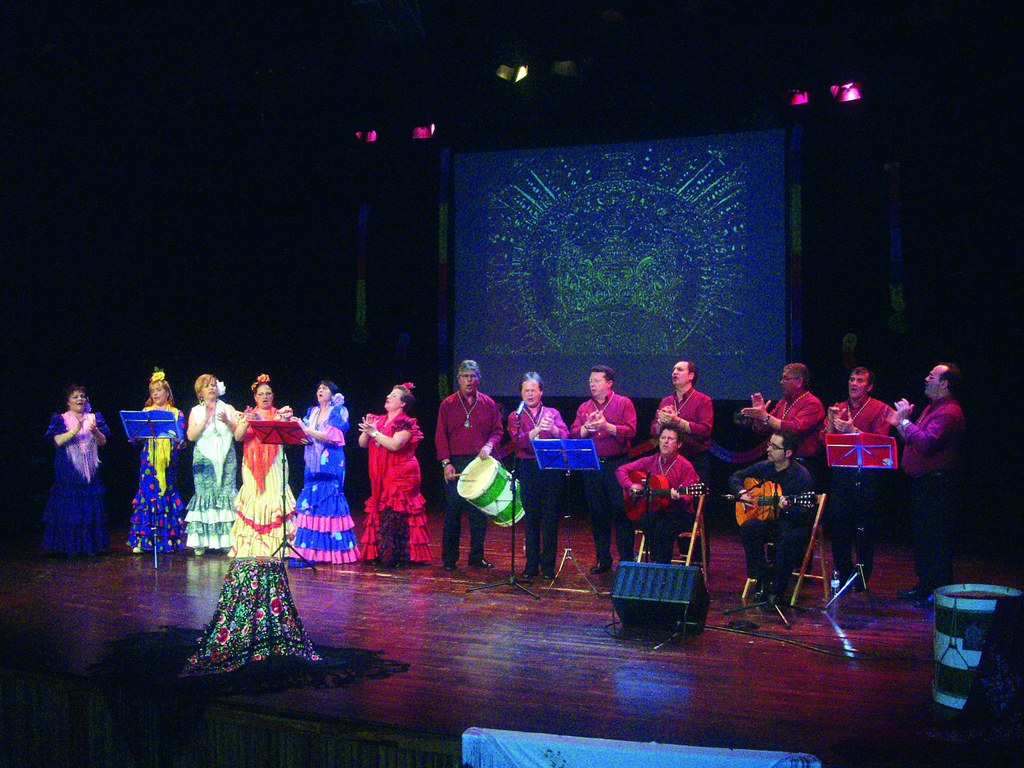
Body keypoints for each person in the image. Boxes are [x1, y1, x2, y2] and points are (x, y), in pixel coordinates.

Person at [888, 363, 966, 603]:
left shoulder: (949, 411)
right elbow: (911, 439)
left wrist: (904, 422)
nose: (926, 378)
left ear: (945, 384)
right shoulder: (932, 408)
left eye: (932, 376)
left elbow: (926, 443)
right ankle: (925, 586)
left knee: (936, 539)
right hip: (925, 484)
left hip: (938, 486)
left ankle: (938, 592)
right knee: (923, 538)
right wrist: (902, 423)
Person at [821, 366, 894, 589]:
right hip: (841, 473)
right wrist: (831, 422)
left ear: (869, 386)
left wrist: (853, 430)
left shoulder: (880, 408)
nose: (853, 383)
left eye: (860, 380)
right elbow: (824, 440)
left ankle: (861, 576)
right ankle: (843, 572)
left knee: (864, 526)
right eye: (852, 379)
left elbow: (881, 440)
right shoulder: (839, 407)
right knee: (838, 524)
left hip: (867, 476)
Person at [730, 432, 816, 605]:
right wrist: (741, 492)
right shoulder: (765, 467)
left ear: (788, 453)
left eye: (774, 447)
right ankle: (762, 576)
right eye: (769, 444)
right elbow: (735, 476)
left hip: (794, 525)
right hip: (770, 521)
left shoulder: (801, 477)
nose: (768, 449)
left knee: (786, 538)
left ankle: (777, 591)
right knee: (749, 527)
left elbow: (806, 514)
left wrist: (788, 508)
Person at [435, 360, 504, 571]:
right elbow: (440, 436)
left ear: (479, 379)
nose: (469, 380)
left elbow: (498, 431)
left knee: (479, 512)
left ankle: (476, 556)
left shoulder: (488, 403)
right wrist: (446, 462)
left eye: (473, 376)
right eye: (465, 376)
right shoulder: (448, 404)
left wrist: (489, 445)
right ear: (458, 379)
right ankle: (449, 559)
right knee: (453, 512)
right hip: (455, 463)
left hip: (480, 463)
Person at [570, 365, 638, 573]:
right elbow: (574, 433)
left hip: (617, 464)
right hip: (592, 465)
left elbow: (631, 430)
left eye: (597, 380)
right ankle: (603, 559)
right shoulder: (584, 407)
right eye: (590, 381)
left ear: (609, 383)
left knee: (621, 511)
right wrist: (587, 428)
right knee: (598, 513)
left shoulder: (623, 403)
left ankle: (626, 559)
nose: (592, 384)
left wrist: (607, 426)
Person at [359, 383, 431, 567]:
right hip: (382, 472)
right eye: (389, 394)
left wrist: (374, 433)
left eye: (393, 396)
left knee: (396, 510)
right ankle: (380, 552)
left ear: (402, 404)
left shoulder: (405, 423)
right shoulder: (378, 420)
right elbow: (362, 443)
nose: (388, 397)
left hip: (401, 473)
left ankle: (397, 554)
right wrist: (368, 431)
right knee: (381, 507)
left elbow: (395, 445)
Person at [507, 372, 569, 580]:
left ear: (541, 391)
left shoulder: (552, 412)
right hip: (528, 467)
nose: (530, 394)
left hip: (551, 467)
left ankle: (548, 566)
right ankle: (531, 564)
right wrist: (536, 430)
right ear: (521, 393)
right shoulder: (516, 416)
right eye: (526, 390)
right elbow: (518, 442)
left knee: (550, 518)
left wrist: (553, 429)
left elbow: (566, 436)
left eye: (533, 390)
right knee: (531, 518)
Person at [292, 380, 361, 564]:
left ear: (333, 394)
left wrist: (307, 429)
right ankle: (312, 552)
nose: (320, 390)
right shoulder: (312, 412)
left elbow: (332, 437)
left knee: (330, 499)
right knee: (312, 502)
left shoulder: (339, 411)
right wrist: (294, 425)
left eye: (325, 388)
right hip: (312, 463)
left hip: (331, 463)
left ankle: (334, 552)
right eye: (319, 388)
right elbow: (304, 434)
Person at [229, 374, 296, 559]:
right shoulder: (249, 414)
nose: (265, 397)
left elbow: (289, 437)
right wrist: (247, 421)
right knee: (255, 498)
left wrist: (285, 420)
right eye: (261, 394)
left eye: (268, 393)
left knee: (275, 496)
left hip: (275, 463)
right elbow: (238, 436)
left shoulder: (279, 414)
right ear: (255, 397)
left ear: (273, 396)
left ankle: (278, 546)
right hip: (251, 464)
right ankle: (252, 547)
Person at [616, 424, 701, 564]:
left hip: (679, 513)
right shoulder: (651, 460)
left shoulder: (685, 466)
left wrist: (678, 497)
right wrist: (630, 486)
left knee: (662, 526)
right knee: (635, 518)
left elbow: (688, 498)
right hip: (656, 510)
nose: (665, 442)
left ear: (679, 444)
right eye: (663, 438)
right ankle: (631, 562)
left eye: (670, 439)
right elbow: (621, 470)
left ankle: (662, 565)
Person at [43, 384, 110, 556]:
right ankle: (68, 547)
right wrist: (75, 430)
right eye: (75, 396)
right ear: (68, 401)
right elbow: (57, 441)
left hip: (90, 472)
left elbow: (103, 441)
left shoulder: (94, 417)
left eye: (82, 396)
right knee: (70, 508)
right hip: (69, 469)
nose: (80, 399)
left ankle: (88, 546)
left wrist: (95, 431)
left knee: (88, 507)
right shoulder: (61, 419)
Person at [128, 370, 187, 554]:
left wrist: (177, 439)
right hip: (149, 461)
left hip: (168, 461)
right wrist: (135, 435)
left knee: (166, 492)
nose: (155, 394)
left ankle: (167, 539)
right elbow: (136, 438)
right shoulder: (145, 413)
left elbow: (181, 440)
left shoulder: (176, 413)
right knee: (148, 493)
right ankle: (143, 540)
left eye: (159, 390)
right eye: (152, 391)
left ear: (167, 393)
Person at [184, 374, 239, 555]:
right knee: (205, 495)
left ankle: (226, 540)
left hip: (226, 456)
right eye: (207, 386)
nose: (212, 388)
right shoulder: (195, 411)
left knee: (225, 494)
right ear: (200, 392)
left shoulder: (228, 408)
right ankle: (201, 541)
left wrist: (228, 422)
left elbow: (238, 434)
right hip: (204, 458)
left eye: (214, 385)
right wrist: (206, 418)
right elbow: (191, 436)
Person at [742, 362, 825, 478]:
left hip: (803, 465)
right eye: (781, 379)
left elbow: (795, 429)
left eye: (786, 379)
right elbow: (763, 429)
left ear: (799, 382)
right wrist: (759, 417)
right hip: (779, 463)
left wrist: (765, 416)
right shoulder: (783, 402)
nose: (781, 382)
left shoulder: (812, 403)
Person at [649, 360, 714, 484]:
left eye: (679, 370)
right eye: (673, 370)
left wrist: (677, 421)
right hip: (669, 461)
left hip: (695, 459)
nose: (674, 372)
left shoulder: (703, 400)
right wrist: (661, 423)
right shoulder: (666, 401)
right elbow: (653, 431)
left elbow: (705, 431)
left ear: (691, 376)